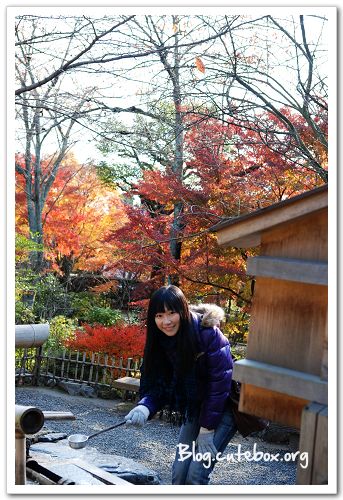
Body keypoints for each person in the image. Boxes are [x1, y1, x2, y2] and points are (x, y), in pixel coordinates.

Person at [124, 285, 237, 485]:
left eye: (171, 313)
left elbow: (219, 385)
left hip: (225, 407)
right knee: (179, 473)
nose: (166, 321)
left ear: (182, 310)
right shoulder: (160, 342)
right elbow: (159, 384)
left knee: (196, 474)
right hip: (195, 407)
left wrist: (207, 430)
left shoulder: (207, 334)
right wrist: (144, 406)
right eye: (159, 315)